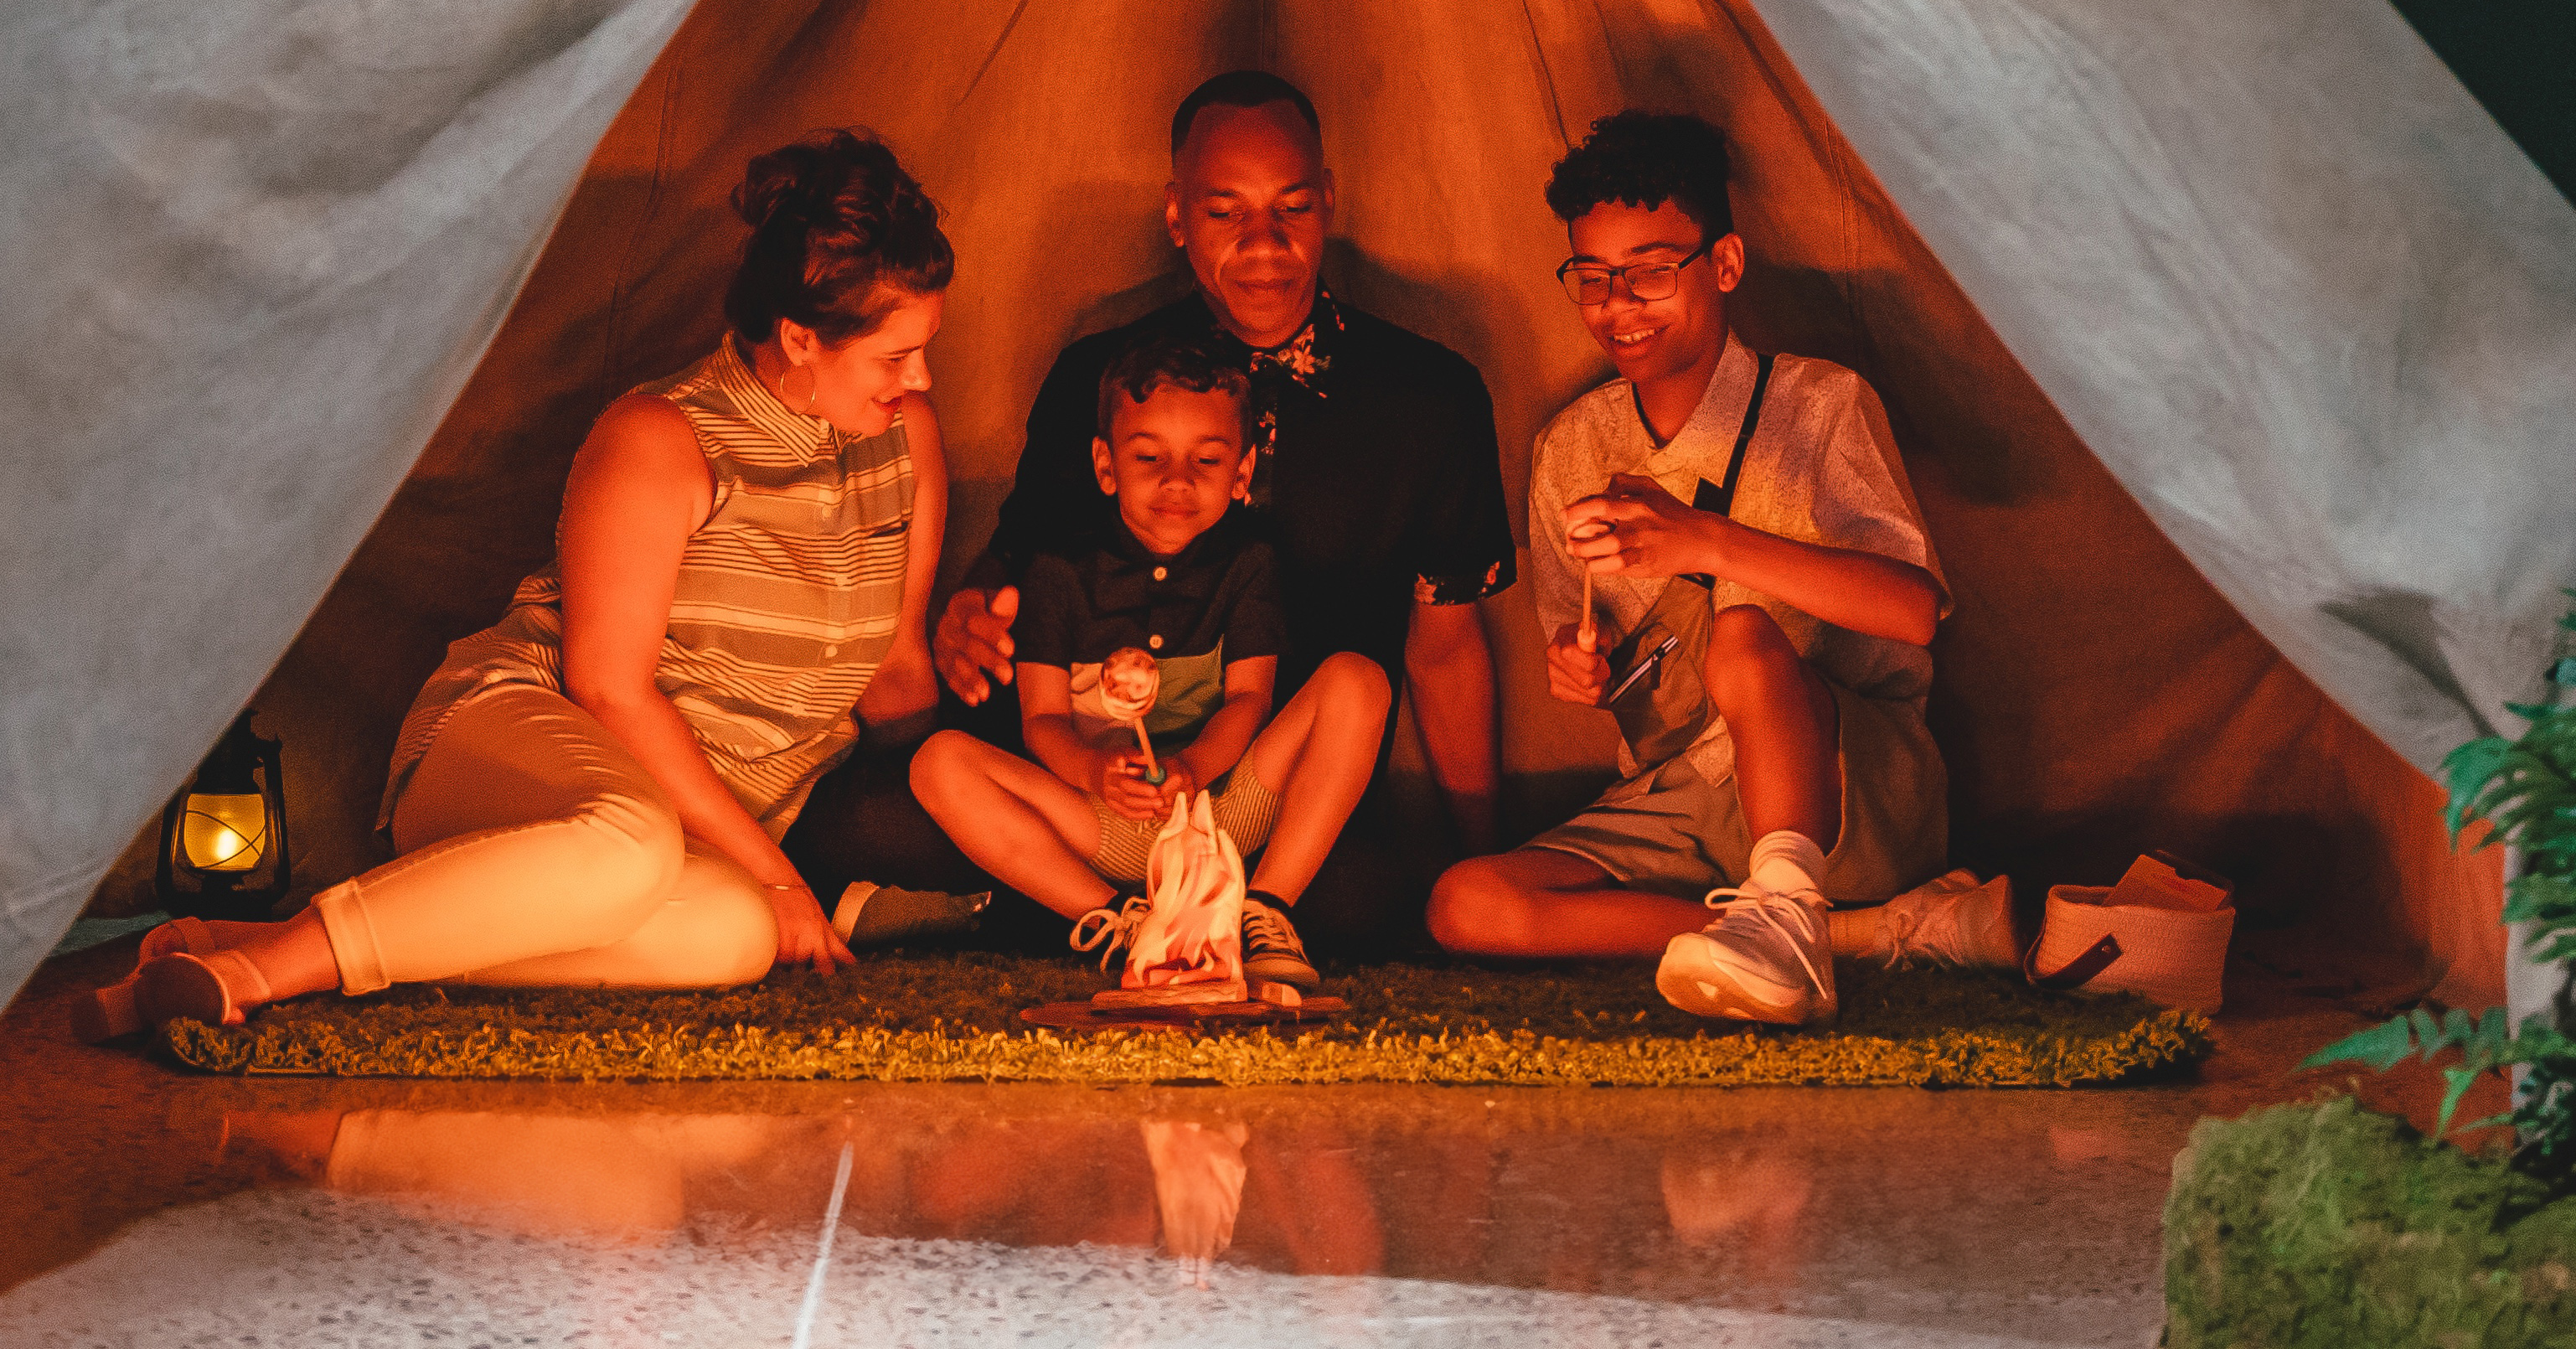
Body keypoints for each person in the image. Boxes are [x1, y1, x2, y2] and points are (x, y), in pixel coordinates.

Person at [77, 136, 953, 1039]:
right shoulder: (662, 438)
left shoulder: (906, 442)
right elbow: (608, 689)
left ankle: (268, 942)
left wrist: (958, 779)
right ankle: (255, 971)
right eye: (893, 358)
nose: (919, 378)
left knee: (730, 937)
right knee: (633, 840)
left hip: (693, 846)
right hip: (520, 740)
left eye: (924, 350)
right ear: (801, 336)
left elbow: (896, 675)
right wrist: (776, 872)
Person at [791, 70, 1519, 940]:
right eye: (1225, 212)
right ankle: (1093, 911)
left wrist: (1483, 851)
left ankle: (1018, 911)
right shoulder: (1103, 375)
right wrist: (970, 613)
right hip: (1091, 782)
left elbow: (1445, 651)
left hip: (1275, 790)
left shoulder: (1428, 397)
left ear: (1328, 200)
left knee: (1370, 898)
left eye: (1290, 207)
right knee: (861, 820)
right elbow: (1020, 561)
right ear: (1176, 216)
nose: (1263, 243)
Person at [1425, 111, 1954, 1026]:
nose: (1618, 302)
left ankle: (1796, 900)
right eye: (1591, 276)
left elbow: (1914, 612)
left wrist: (1709, 542)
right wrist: (1575, 663)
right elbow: (1590, 640)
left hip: (1845, 786)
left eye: (1651, 271)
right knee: (1465, 903)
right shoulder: (1573, 446)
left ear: (1725, 265)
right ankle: (1847, 935)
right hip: (1681, 798)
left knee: (1744, 638)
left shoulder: (1819, 404)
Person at [906, 319, 1398, 987]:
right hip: (1101, 820)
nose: (1177, 482)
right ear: (1106, 467)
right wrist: (1092, 770)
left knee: (1358, 681)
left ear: (1243, 472)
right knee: (939, 764)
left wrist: (1195, 766)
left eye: (1207, 460)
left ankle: (1263, 910)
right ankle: (1126, 925)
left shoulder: (1249, 564)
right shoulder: (1059, 573)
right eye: (1148, 458)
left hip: (1221, 811)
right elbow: (1042, 721)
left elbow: (1249, 699)